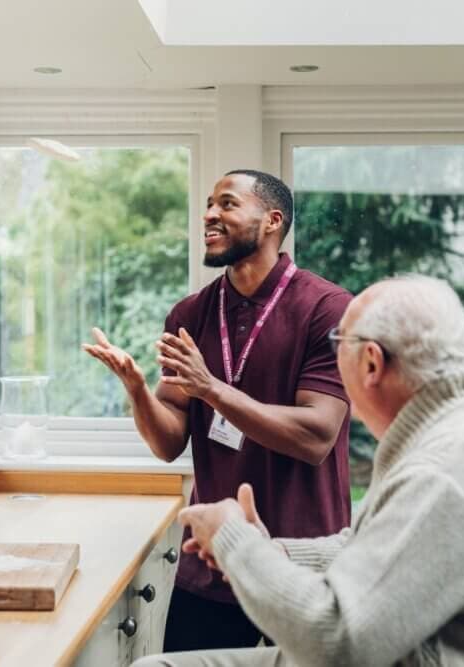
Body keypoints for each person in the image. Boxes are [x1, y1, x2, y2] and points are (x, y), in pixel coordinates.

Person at [135, 275, 464, 667]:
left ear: (370, 363)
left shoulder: (445, 469)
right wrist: (277, 552)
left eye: (336, 346)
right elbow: (387, 547)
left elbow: (336, 644)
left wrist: (236, 543)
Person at [83, 170, 353, 652]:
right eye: (209, 204)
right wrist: (139, 391)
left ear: (272, 220)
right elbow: (168, 443)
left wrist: (211, 388)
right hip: (209, 568)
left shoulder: (328, 308)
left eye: (227, 204)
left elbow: (316, 437)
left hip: (301, 568)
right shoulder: (190, 314)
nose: (210, 214)